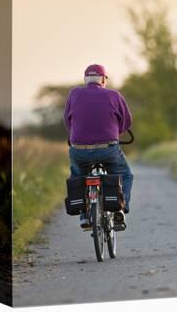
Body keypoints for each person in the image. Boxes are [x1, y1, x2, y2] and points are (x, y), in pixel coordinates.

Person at [64, 64, 133, 230]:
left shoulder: (74, 93)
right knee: (125, 175)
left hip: (79, 150)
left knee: (78, 176)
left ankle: (83, 216)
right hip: (108, 148)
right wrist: (115, 132)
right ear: (103, 79)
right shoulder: (114, 95)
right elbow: (126, 121)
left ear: (85, 79)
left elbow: (68, 121)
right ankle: (120, 209)